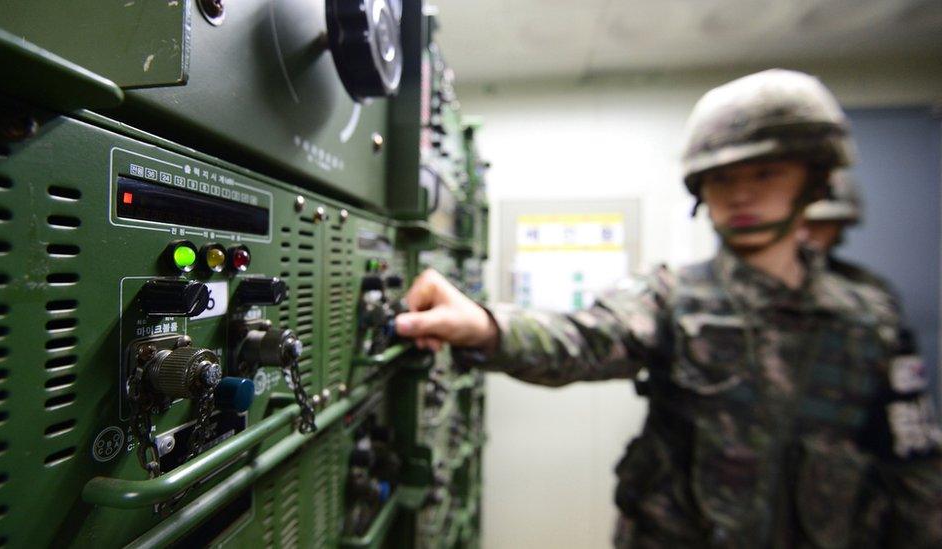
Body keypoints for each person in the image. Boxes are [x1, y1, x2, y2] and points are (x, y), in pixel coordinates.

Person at [394, 69, 942, 547]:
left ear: (813, 181)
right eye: (723, 178)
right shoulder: (672, 298)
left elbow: (914, 468)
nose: (741, 195)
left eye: (765, 174)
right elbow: (585, 339)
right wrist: (486, 327)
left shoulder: (869, 318)